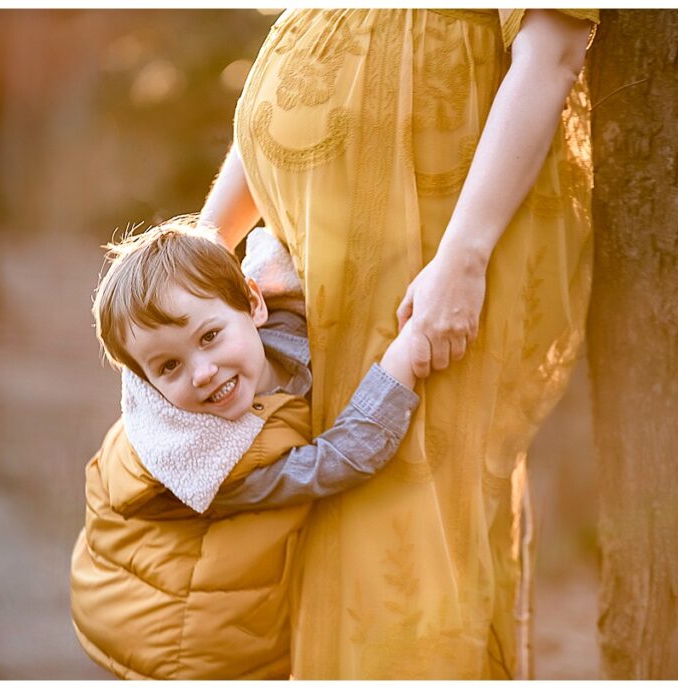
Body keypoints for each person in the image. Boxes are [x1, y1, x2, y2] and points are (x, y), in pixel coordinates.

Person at [199, 8, 599, 679]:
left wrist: (464, 257)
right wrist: (209, 236)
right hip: (312, 287)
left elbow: (553, 51)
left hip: (428, 267)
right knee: (324, 543)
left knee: (408, 548)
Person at [69, 219, 421, 679]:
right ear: (147, 384)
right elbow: (336, 462)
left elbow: (286, 308)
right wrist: (400, 366)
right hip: (191, 649)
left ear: (255, 303)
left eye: (209, 337)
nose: (202, 373)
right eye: (169, 365)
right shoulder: (207, 466)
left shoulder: (264, 326)